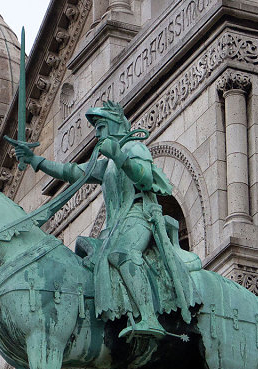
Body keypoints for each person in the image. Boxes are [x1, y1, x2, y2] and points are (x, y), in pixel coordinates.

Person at [11, 101, 192, 339]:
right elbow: (71, 172)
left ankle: (149, 316)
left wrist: (119, 156)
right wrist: (36, 160)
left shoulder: (134, 148)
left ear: (115, 125)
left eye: (101, 127)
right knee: (86, 264)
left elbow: (146, 179)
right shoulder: (105, 165)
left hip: (139, 216)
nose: (96, 133)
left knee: (123, 254)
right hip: (116, 226)